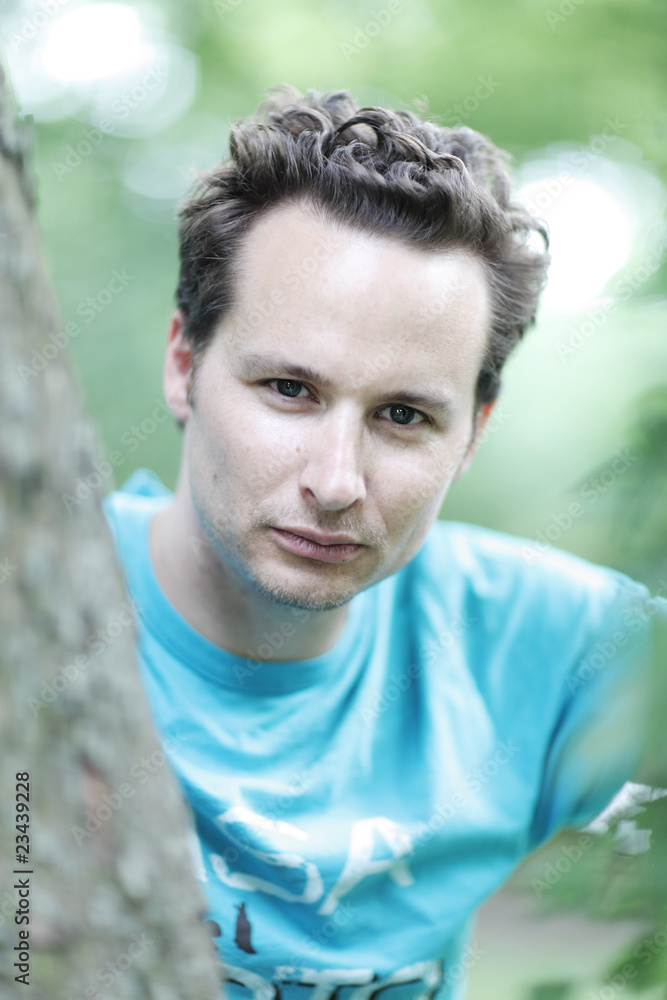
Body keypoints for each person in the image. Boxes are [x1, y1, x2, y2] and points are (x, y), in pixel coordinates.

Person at [102, 87, 657, 1000]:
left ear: (471, 434)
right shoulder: (36, 600)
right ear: (184, 363)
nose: (335, 482)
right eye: (289, 390)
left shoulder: (536, 642)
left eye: (402, 416)